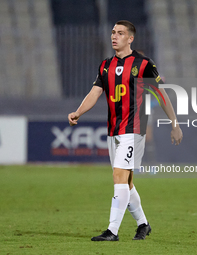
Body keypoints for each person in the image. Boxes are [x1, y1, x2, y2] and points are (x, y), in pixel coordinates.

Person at [68, 20, 183, 241]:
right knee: (126, 183)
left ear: (130, 38)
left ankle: (112, 231)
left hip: (134, 128)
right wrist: (78, 112)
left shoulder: (144, 64)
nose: (114, 36)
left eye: (120, 33)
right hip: (113, 129)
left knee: (119, 175)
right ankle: (143, 224)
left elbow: (161, 94)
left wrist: (174, 124)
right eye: (113, 32)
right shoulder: (105, 65)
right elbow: (95, 92)